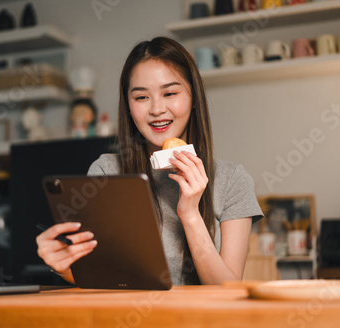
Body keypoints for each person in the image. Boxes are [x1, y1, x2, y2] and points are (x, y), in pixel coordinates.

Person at [36, 37, 263, 285]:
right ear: (129, 106)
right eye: (141, 97)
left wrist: (190, 214)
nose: (156, 109)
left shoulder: (232, 181)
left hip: (201, 323)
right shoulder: (106, 171)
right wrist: (64, 266)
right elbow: (103, 280)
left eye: (170, 93)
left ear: (194, 98)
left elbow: (228, 291)